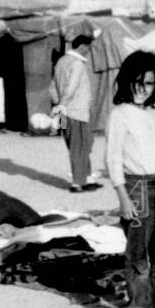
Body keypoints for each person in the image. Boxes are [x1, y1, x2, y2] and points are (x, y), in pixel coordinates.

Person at [106, 50, 155, 308]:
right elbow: (112, 158)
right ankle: (142, 307)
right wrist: (123, 198)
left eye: (148, 83)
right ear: (127, 81)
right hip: (138, 187)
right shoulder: (120, 114)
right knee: (139, 255)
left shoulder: (154, 112)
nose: (142, 89)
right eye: (137, 82)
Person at [50, 34, 100, 192]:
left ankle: (88, 178)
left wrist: (58, 105)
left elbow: (51, 87)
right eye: (89, 48)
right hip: (76, 112)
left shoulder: (61, 62)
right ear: (83, 47)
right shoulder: (77, 64)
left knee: (75, 145)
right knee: (80, 146)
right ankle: (78, 183)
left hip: (64, 113)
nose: (89, 52)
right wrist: (63, 104)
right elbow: (71, 88)